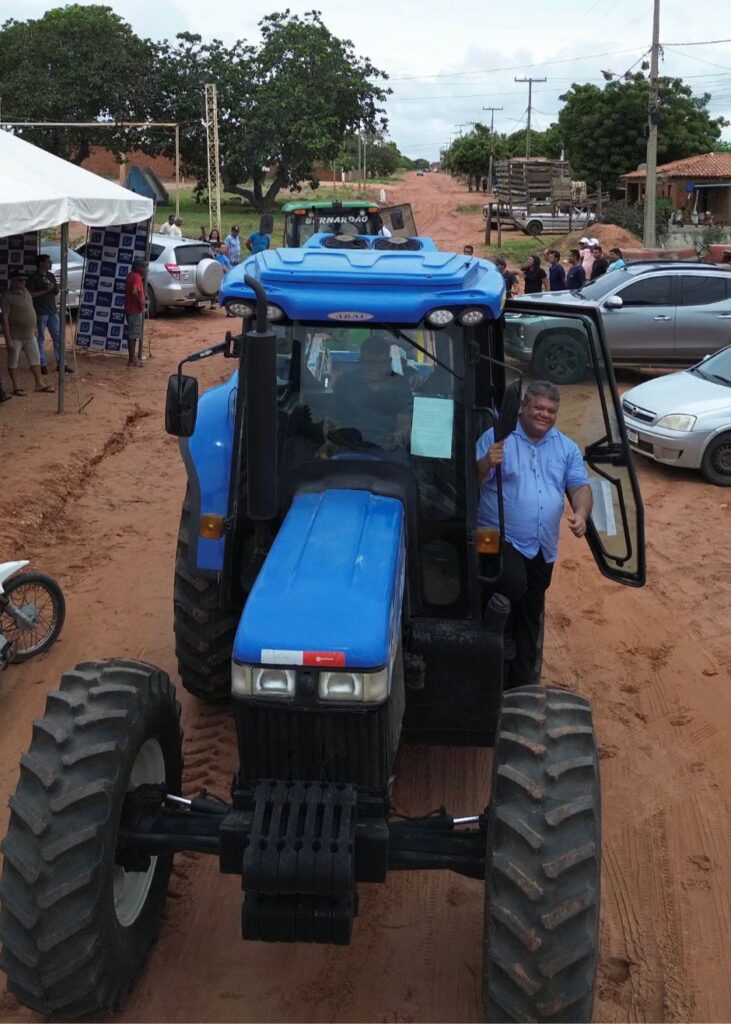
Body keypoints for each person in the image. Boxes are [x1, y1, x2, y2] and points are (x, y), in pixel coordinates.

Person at [476, 380, 592, 688]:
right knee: (512, 583)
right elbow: (470, 481)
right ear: (523, 407)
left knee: (532, 607)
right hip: (493, 537)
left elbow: (580, 487)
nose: (544, 415)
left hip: (542, 546)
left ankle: (522, 683)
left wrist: (581, 514)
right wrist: (486, 463)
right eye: (538, 408)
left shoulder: (566, 447)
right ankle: (493, 649)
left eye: (551, 411)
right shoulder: (496, 438)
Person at [331, 333, 413, 450]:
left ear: (389, 361)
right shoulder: (345, 383)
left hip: (388, 450)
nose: (374, 368)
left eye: (380, 363)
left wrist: (395, 439)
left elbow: (404, 425)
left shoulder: (401, 385)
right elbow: (333, 422)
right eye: (369, 362)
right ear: (360, 361)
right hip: (349, 447)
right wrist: (335, 441)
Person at [1, 269, 54, 395]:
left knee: (35, 359)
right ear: (12, 280)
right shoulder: (7, 297)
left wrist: (34, 328)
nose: (23, 282)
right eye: (20, 280)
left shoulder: (26, 292)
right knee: (13, 361)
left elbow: (30, 310)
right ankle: (16, 387)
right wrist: (8, 339)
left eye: (25, 280)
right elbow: (4, 319)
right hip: (15, 335)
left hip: (30, 334)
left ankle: (39, 383)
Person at [27, 253, 72, 375]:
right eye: (48, 261)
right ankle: (42, 364)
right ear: (41, 263)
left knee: (58, 337)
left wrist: (56, 289)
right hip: (40, 311)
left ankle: (62, 364)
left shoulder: (51, 275)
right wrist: (45, 290)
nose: (50, 263)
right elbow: (30, 294)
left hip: (52, 310)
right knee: (40, 338)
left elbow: (55, 291)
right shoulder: (33, 278)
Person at [124, 259, 146, 368]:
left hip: (130, 308)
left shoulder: (130, 275)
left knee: (132, 335)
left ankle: (132, 358)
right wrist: (141, 304)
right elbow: (134, 291)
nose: (145, 270)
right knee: (133, 335)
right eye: (143, 267)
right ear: (138, 268)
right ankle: (132, 359)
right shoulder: (136, 277)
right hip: (134, 310)